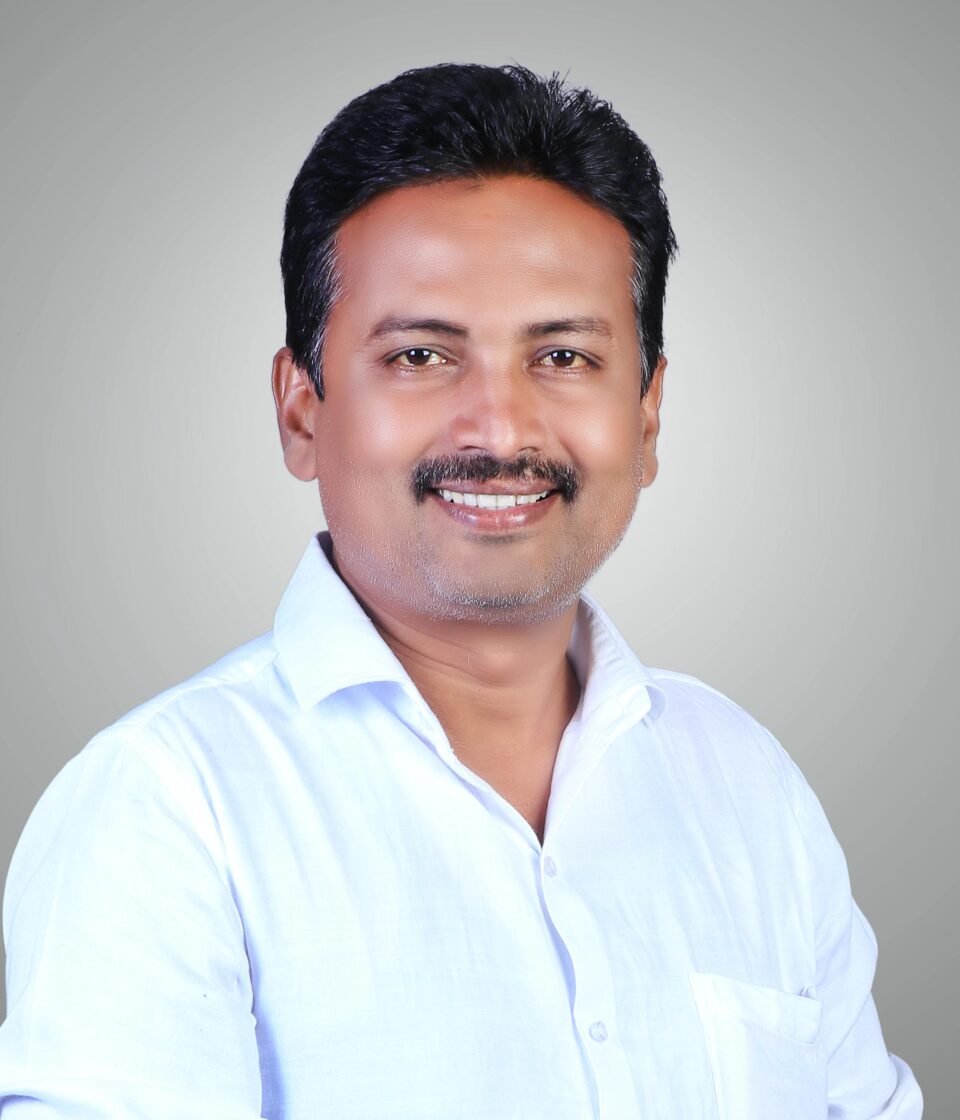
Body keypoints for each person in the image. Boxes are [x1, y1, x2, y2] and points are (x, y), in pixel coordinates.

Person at [0, 62, 921, 1119]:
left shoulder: (748, 788)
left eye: (564, 355)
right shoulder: (168, 809)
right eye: (422, 355)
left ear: (648, 416)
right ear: (302, 411)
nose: (500, 429)